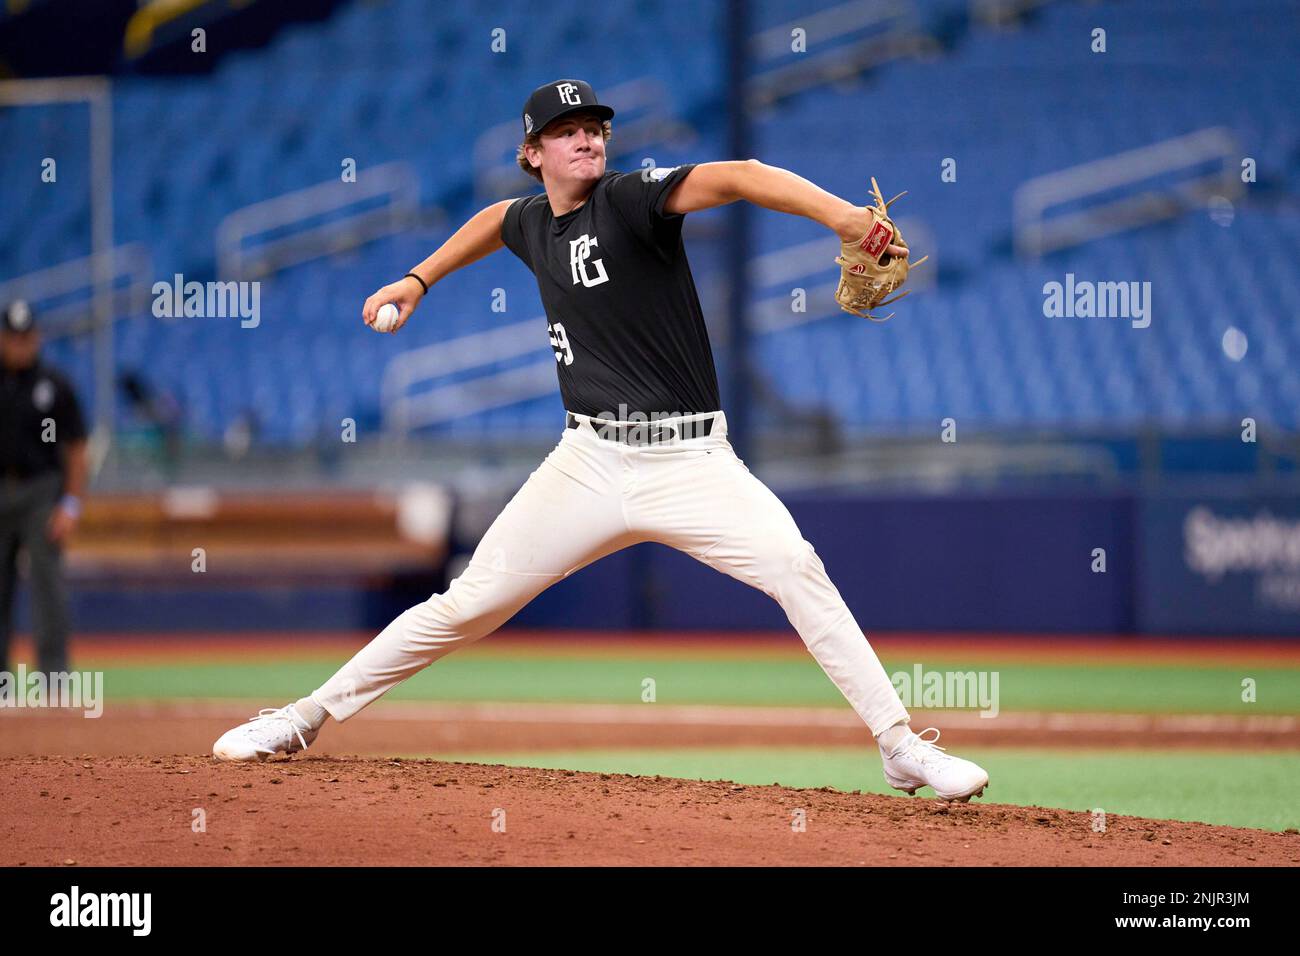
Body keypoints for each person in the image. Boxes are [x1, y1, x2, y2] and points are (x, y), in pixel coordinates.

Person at [213, 79, 989, 802]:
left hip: (691, 461)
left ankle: (897, 743)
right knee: (465, 605)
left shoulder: (631, 201)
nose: (586, 140)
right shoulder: (528, 220)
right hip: (587, 461)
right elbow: (494, 223)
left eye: (594, 128)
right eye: (566, 131)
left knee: (795, 565)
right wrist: (419, 278)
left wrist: (842, 216)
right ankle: (303, 717)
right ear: (532, 154)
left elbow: (743, 173)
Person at [0, 300, 88, 678]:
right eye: (13, 338)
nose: (20, 345)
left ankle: (53, 679)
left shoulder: (54, 385)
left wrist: (70, 503)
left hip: (41, 492)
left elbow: (77, 448)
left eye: (26, 337)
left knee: (47, 586)